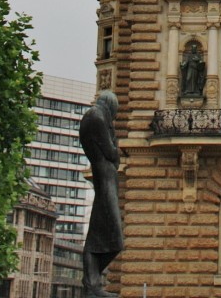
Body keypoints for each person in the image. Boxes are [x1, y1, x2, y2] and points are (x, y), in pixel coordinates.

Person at [80, 91, 124, 297]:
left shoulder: (95, 117)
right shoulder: (96, 117)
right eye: (114, 111)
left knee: (102, 235)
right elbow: (112, 153)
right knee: (110, 236)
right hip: (105, 177)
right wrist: (115, 143)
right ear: (110, 105)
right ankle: (92, 285)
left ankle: (92, 284)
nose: (114, 116)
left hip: (106, 176)